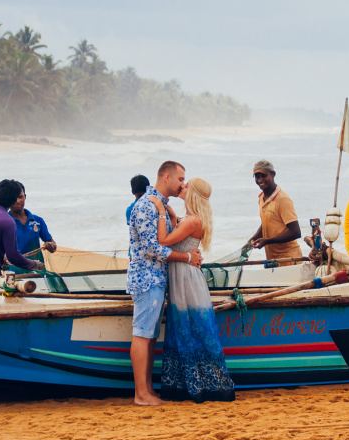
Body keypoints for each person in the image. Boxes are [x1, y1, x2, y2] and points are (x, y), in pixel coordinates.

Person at [148, 178, 235, 403]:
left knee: (192, 327)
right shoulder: (189, 219)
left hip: (186, 278)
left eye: (186, 186)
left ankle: (204, 385)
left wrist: (160, 211)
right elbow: (177, 241)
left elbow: (163, 241)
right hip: (183, 276)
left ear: (193, 193)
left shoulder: (193, 220)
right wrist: (172, 216)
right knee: (185, 327)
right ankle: (191, 383)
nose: (182, 186)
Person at [127, 161, 204, 406]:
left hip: (156, 278)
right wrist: (187, 257)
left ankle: (147, 389)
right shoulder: (147, 205)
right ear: (167, 177)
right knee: (142, 334)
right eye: (180, 179)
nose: (183, 184)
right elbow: (152, 248)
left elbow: (167, 237)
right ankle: (141, 394)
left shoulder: (159, 204)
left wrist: (169, 215)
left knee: (149, 335)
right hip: (146, 277)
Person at [248, 160, 303, 261]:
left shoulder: (282, 199)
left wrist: (267, 241)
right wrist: (251, 241)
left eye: (264, 176)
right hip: (272, 259)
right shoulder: (262, 198)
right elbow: (267, 223)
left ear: (273, 174)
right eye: (257, 176)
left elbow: (295, 232)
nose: (260, 180)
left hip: (289, 259)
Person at [8, 183, 56, 267]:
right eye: (13, 198)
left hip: (37, 269)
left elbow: (53, 246)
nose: (18, 201)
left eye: (20, 197)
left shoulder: (38, 221)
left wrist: (50, 245)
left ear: (25, 197)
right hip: (13, 270)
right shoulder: (3, 222)